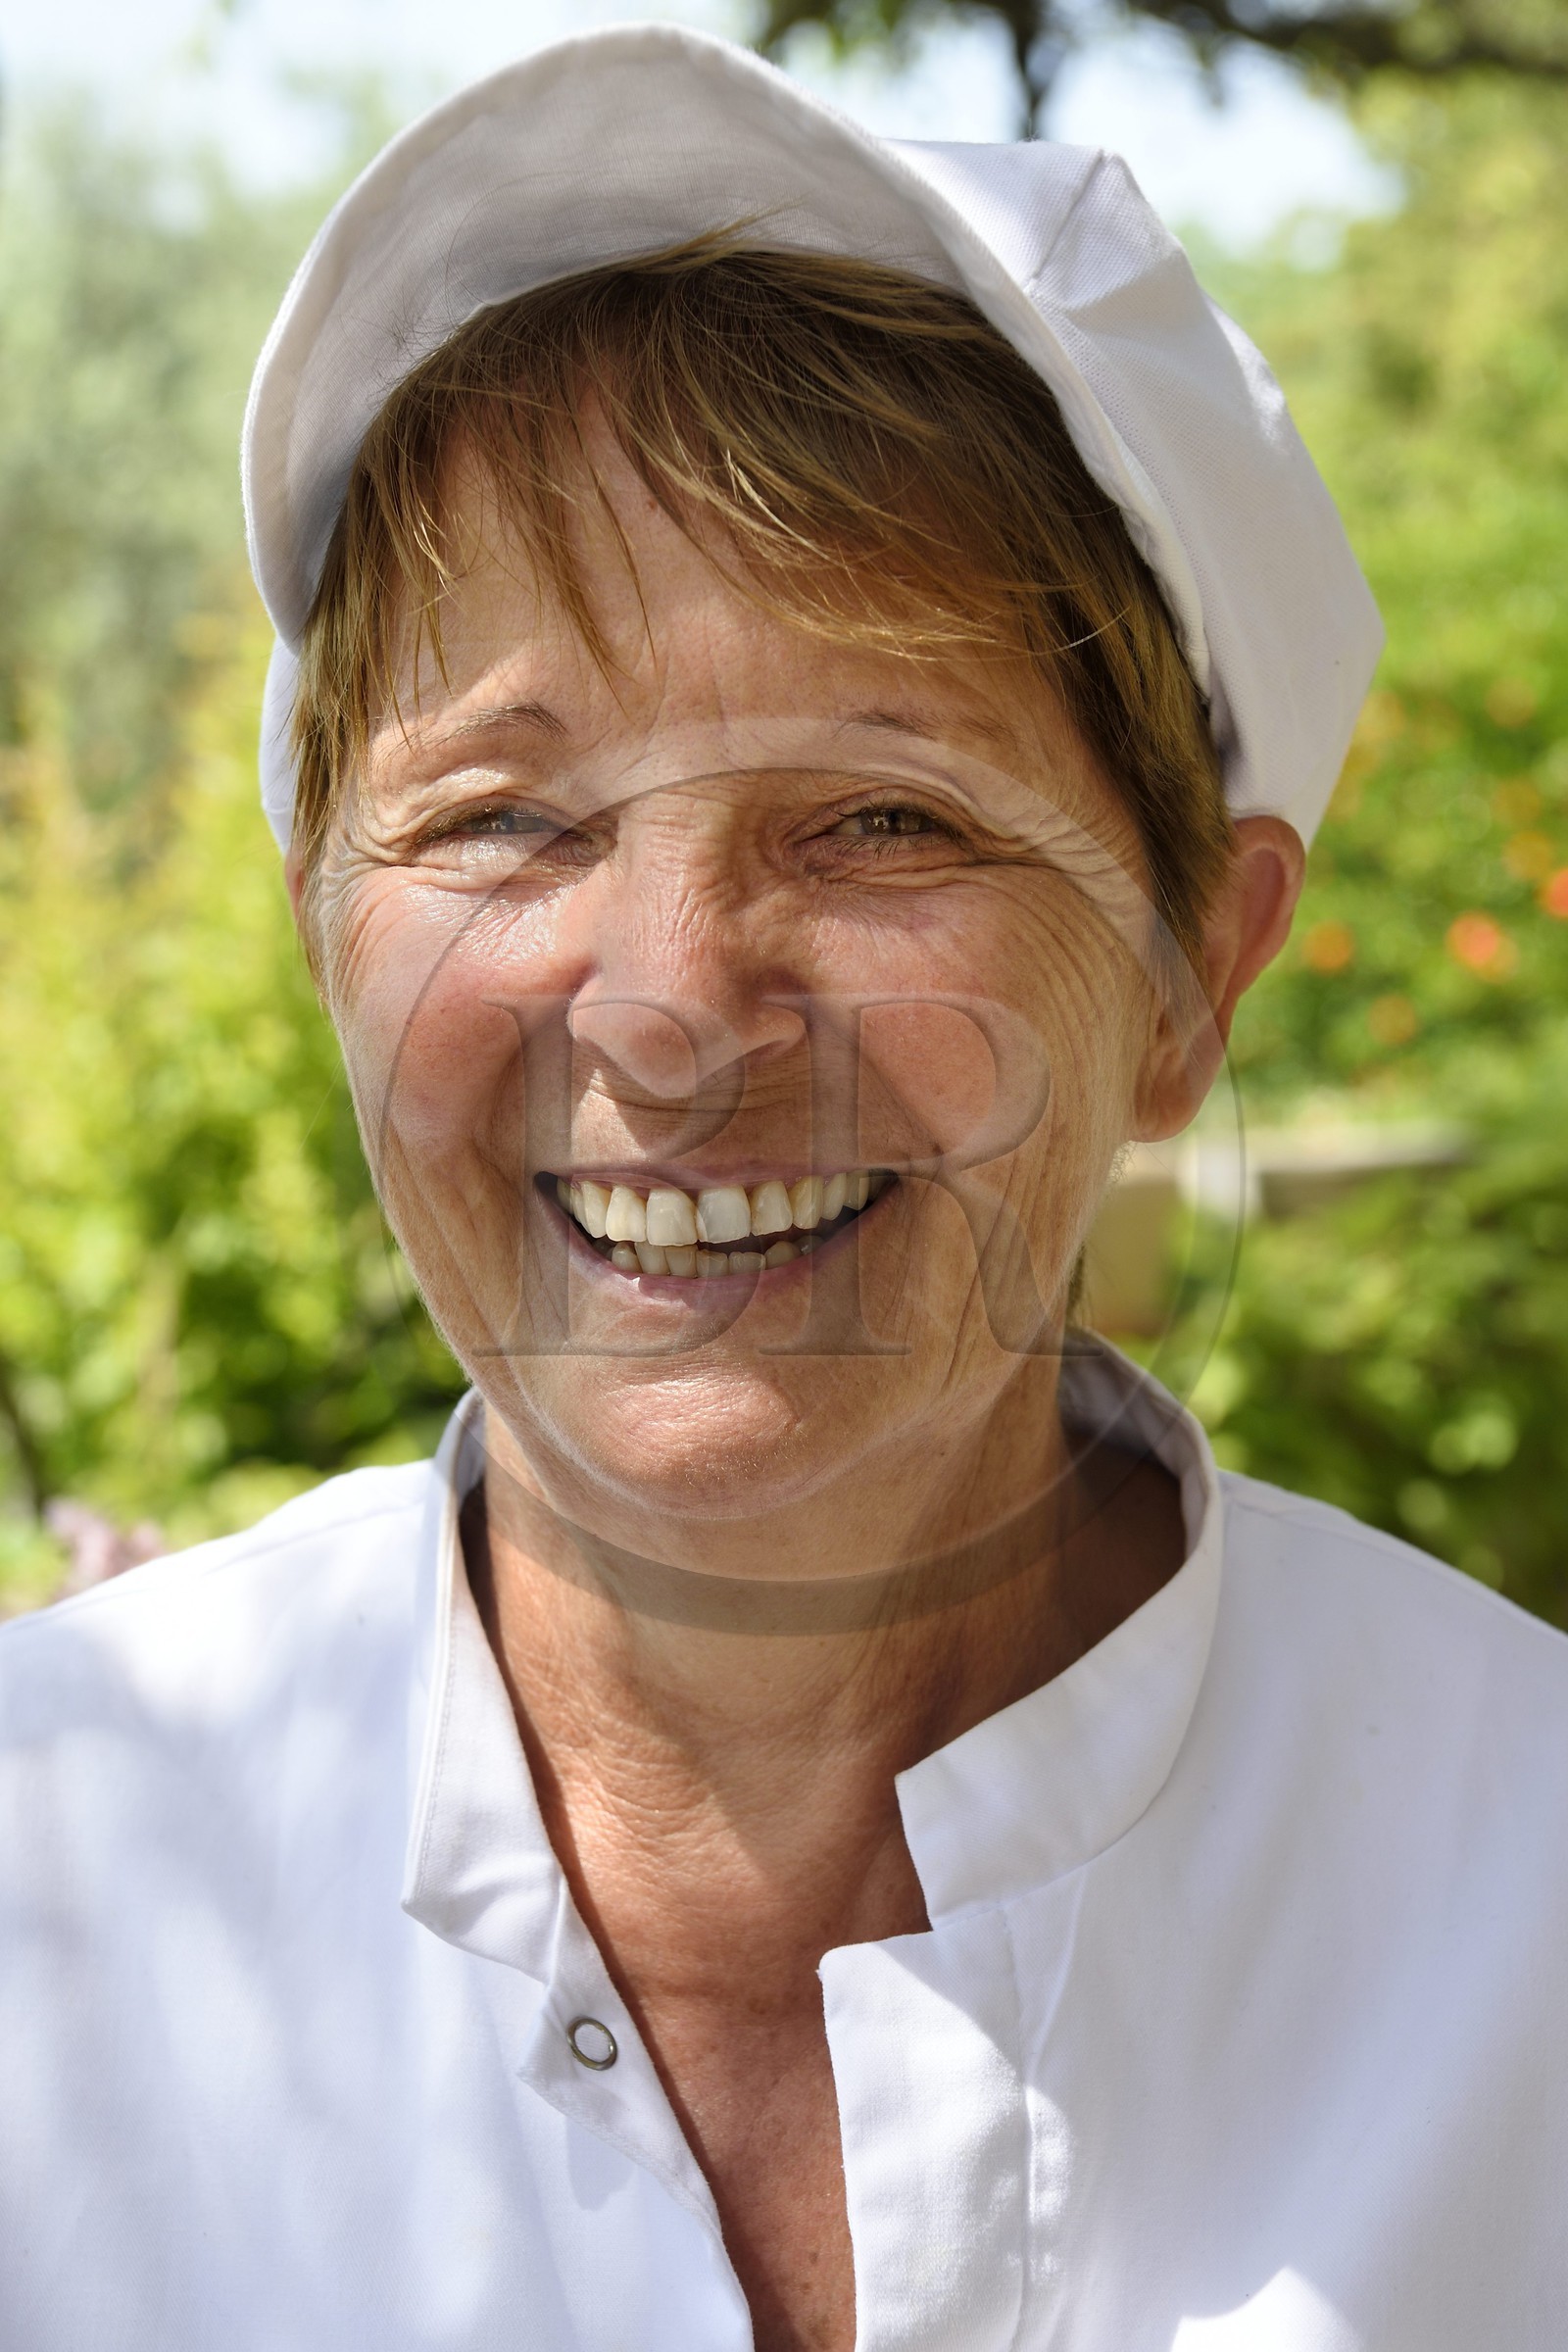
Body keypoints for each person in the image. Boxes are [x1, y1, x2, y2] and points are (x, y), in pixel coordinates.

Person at [2, 26, 1565, 2352]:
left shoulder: (1519, 1914)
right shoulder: (54, 1881)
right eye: (501, 820)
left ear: (1181, 979)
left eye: (882, 818)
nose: (664, 1010)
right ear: (332, 933)